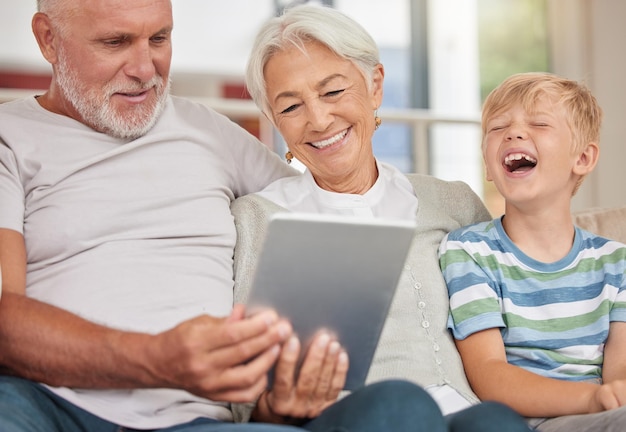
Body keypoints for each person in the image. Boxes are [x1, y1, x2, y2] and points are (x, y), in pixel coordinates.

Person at [0, 0, 452, 431]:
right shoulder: (11, 138)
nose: (144, 68)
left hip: (195, 421)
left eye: (159, 39)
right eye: (115, 42)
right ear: (48, 40)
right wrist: (157, 357)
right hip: (45, 402)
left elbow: (327, 200)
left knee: (398, 411)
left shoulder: (208, 130)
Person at [232, 4, 532, 432]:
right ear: (274, 121)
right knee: (402, 404)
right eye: (291, 107)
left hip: (462, 411)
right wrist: (277, 404)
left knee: (496, 422)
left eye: (333, 92)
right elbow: (240, 399)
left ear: (375, 86)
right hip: (351, 419)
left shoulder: (452, 203)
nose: (318, 120)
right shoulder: (255, 220)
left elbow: (519, 319)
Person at [439, 72, 626, 431]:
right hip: (533, 421)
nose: (513, 133)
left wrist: (607, 400)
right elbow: (490, 376)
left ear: (583, 158)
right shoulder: (469, 252)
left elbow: (619, 378)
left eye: (539, 123)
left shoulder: (616, 263)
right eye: (497, 128)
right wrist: (591, 399)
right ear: (488, 164)